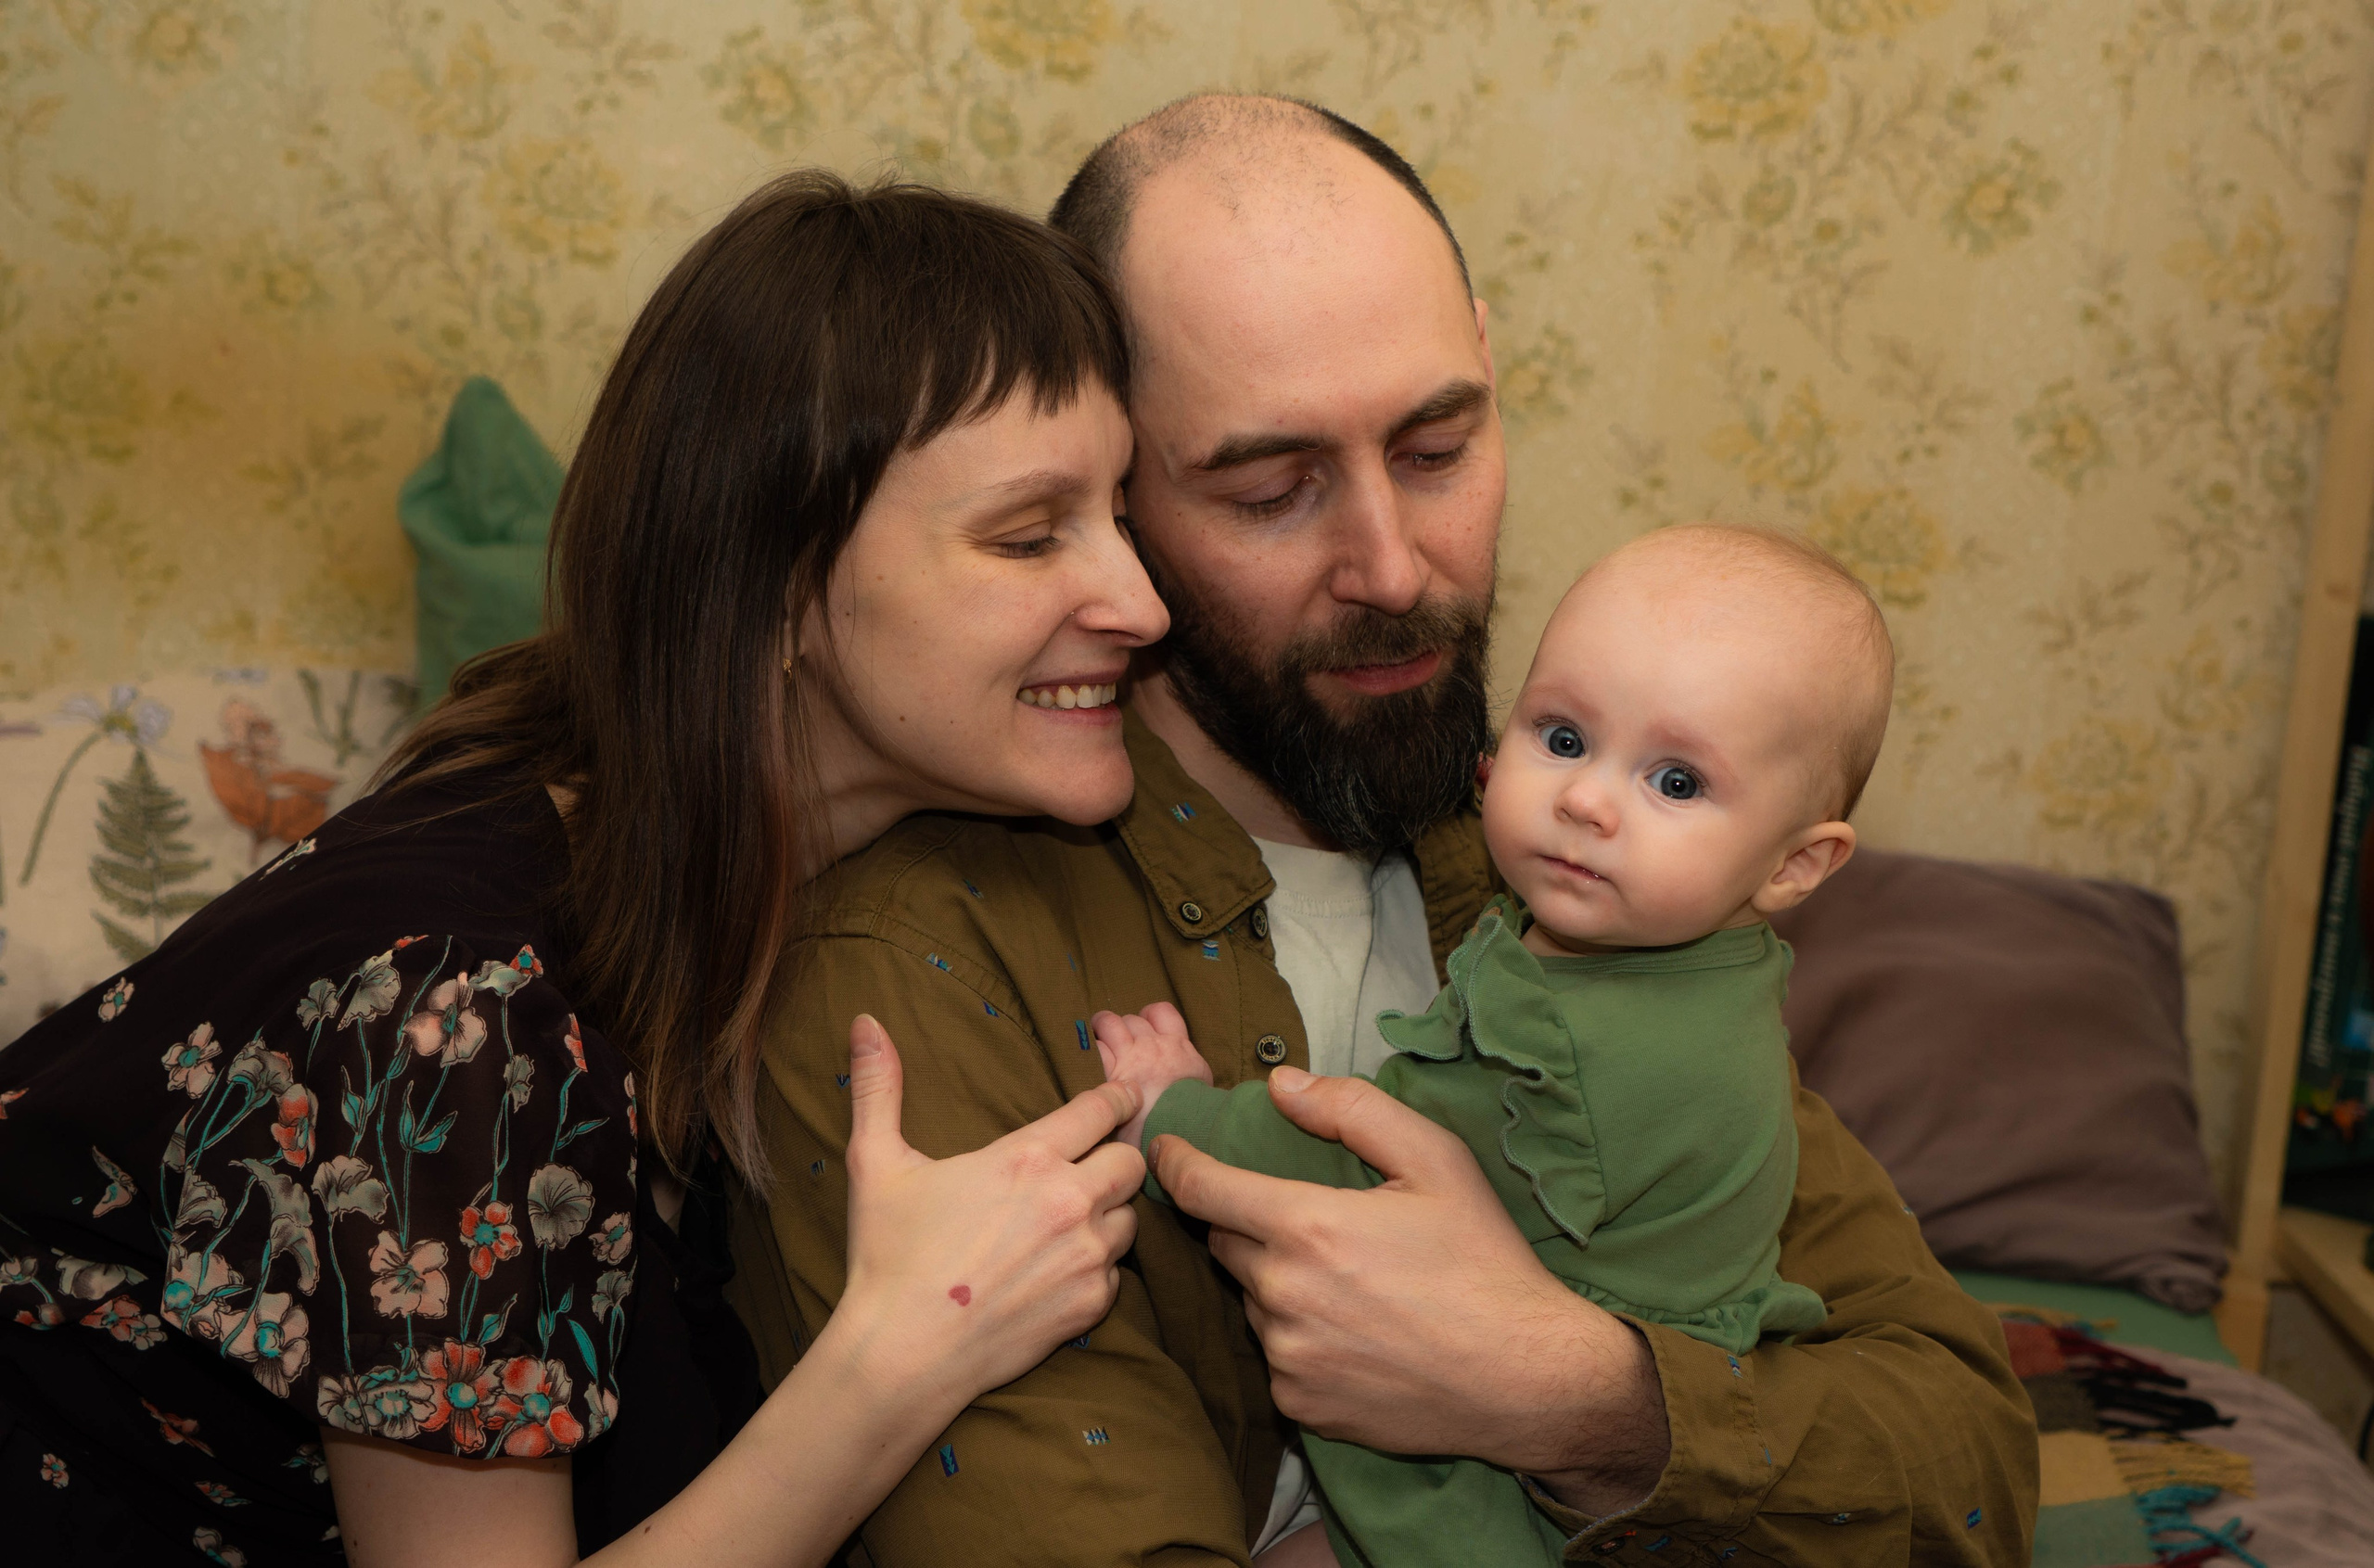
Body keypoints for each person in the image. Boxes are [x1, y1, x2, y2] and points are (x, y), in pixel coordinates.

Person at [730, 96, 2036, 1567]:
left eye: (1436, 447)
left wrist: (1577, 1394)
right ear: (1117, 482)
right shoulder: (932, 963)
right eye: (1272, 489)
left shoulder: (1572, 868)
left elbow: (1968, 1455)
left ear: (1487, 359)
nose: (1394, 566)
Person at [0, 172, 1166, 1568]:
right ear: (778, 587)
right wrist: (915, 1338)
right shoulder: (458, 1014)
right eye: (1031, 536)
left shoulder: (675, 843)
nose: (1141, 600)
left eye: (1124, 510)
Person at [1092, 525, 1898, 1567]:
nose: (1586, 800)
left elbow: (1354, 1162)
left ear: (1797, 863)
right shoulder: (1709, 967)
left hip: (1503, 1499)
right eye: (1562, 737)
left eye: (1677, 782)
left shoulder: (1564, 1042)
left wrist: (1177, 1114)